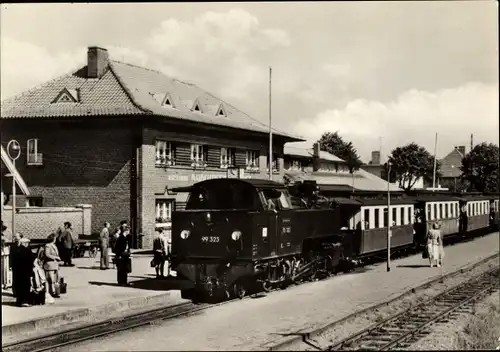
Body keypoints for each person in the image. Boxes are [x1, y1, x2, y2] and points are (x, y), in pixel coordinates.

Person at [14, 238, 34, 307]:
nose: (28, 244)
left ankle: (19, 301)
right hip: (26, 272)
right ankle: (24, 301)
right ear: (24, 243)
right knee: (25, 287)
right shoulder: (27, 251)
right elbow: (30, 262)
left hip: (18, 272)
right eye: (27, 243)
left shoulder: (17, 250)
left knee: (19, 287)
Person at [43, 233, 61, 298]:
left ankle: (55, 291)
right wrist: (55, 257)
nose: (56, 239)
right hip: (49, 264)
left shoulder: (54, 245)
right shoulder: (47, 245)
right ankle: (50, 292)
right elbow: (47, 254)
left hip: (55, 264)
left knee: (56, 278)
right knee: (50, 279)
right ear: (53, 238)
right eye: (55, 238)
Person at [113, 222, 131, 286]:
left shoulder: (124, 237)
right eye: (128, 231)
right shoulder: (121, 238)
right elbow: (118, 248)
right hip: (122, 256)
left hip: (124, 255)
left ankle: (124, 282)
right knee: (121, 269)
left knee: (124, 269)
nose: (129, 232)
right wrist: (120, 255)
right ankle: (121, 282)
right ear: (126, 231)